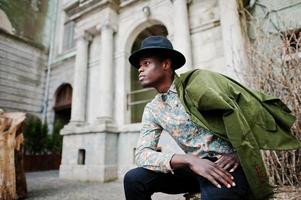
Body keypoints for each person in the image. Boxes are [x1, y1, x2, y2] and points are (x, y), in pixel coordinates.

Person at [123, 36, 301, 200]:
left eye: (146, 63)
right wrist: (189, 160)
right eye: (140, 65)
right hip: (194, 167)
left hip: (226, 165)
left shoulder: (198, 84)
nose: (140, 69)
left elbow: (242, 113)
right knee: (133, 179)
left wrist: (239, 152)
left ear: (165, 64)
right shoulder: (153, 109)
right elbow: (142, 154)